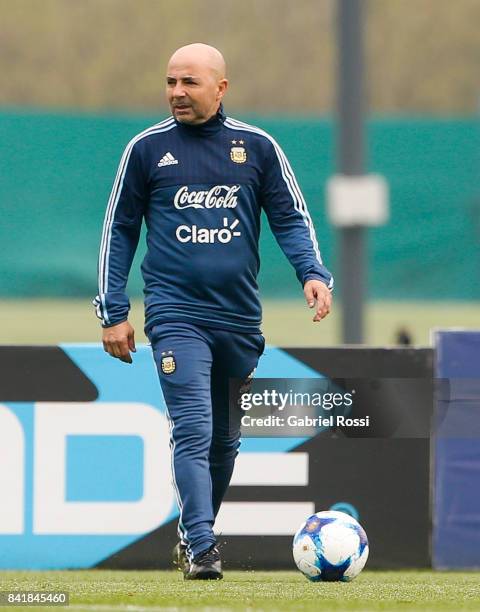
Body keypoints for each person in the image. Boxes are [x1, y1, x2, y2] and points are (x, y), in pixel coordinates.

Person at [93, 43, 333, 580]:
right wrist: (113, 308)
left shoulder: (258, 148)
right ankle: (203, 546)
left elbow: (291, 218)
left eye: (190, 83)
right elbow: (120, 228)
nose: (177, 92)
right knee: (194, 427)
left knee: (225, 441)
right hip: (176, 314)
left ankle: (190, 532)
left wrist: (313, 273)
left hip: (239, 320)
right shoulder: (146, 150)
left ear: (221, 88)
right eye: (171, 82)